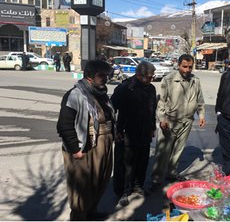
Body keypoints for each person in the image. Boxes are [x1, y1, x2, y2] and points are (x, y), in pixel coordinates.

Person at [57, 60, 115, 220]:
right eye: (101, 75)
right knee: (82, 186)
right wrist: (75, 149)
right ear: (89, 76)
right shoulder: (76, 94)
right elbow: (64, 125)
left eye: (106, 75)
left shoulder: (101, 94)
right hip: (85, 147)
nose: (105, 78)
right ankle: (79, 216)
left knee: (100, 180)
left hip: (104, 144)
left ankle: (91, 212)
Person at [150, 54, 206, 190]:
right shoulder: (168, 80)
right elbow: (161, 102)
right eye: (184, 67)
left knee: (178, 150)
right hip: (169, 122)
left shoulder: (195, 81)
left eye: (190, 67)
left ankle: (171, 173)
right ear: (178, 65)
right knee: (163, 152)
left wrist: (202, 115)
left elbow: (200, 101)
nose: (187, 70)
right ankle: (156, 179)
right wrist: (162, 119)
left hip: (187, 122)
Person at [111, 61, 157, 206]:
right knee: (125, 164)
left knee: (142, 161)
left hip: (144, 131)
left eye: (152, 76)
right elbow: (111, 109)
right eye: (149, 77)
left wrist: (152, 127)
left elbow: (152, 110)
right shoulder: (125, 88)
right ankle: (123, 191)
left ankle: (138, 186)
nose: (151, 79)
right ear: (139, 75)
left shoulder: (151, 89)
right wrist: (115, 130)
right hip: (126, 131)